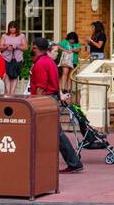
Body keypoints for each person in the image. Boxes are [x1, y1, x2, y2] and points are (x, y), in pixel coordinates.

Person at [28, 37, 83, 174]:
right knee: (52, 133)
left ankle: (73, 162)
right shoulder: (49, 62)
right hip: (51, 98)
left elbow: (40, 87)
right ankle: (71, 162)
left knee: (54, 134)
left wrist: (37, 105)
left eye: (32, 46)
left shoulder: (40, 64)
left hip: (45, 99)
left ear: (35, 47)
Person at [0, 22, 27, 89]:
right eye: (10, 27)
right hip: (6, 58)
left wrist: (17, 47)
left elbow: (25, 48)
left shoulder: (21, 36)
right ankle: (8, 93)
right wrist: (6, 47)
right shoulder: (4, 36)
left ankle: (12, 93)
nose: (12, 29)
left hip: (17, 59)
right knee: (6, 75)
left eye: (14, 27)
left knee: (15, 76)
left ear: (16, 28)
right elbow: (0, 47)